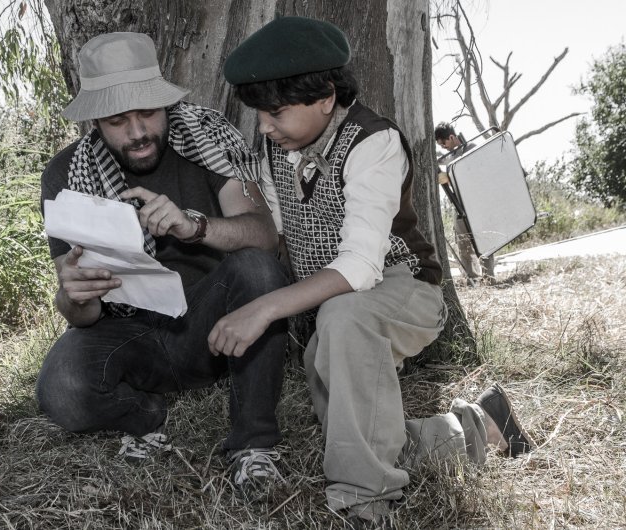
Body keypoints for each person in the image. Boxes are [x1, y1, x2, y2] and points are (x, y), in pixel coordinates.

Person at [219, 17, 534, 528]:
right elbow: (272, 231)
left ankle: (364, 501)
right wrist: (205, 225)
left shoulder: (373, 141)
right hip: (337, 309)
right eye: (259, 114)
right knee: (360, 434)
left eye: (275, 112)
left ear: (325, 97)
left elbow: (361, 266)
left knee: (343, 325)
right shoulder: (276, 150)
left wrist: (265, 307)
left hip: (404, 289)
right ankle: (480, 424)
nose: (264, 127)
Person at [35, 32, 289, 498]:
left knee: (257, 269)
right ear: (96, 120)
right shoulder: (67, 174)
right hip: (129, 330)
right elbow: (80, 315)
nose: (137, 133)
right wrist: (74, 296)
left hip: (212, 326)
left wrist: (194, 226)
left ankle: (253, 444)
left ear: (165, 104)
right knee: (61, 389)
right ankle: (147, 414)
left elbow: (264, 235)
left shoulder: (209, 138)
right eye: (118, 121)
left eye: (148, 113)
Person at [434, 122, 495, 280]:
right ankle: (471, 278)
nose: (443, 147)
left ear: (451, 137)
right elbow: (437, 157)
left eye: (444, 143)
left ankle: (489, 277)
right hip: (459, 204)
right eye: (440, 145)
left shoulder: (471, 148)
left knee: (483, 241)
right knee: (463, 243)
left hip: (476, 202)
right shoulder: (449, 156)